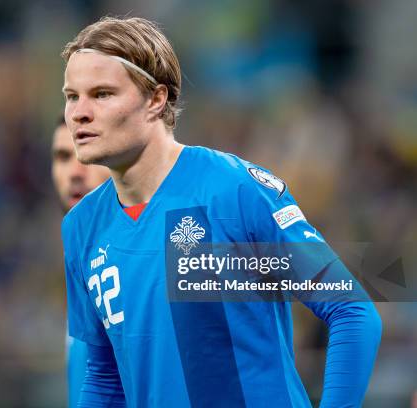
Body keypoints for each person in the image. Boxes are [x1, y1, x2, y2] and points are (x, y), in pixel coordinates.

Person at [60, 16, 382, 407]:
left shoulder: (234, 190)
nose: (79, 112)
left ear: (156, 99)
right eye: (72, 96)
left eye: (103, 94)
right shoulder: (81, 226)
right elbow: (104, 375)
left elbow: (352, 312)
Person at [51, 115, 110, 407]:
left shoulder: (152, 253)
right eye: (63, 157)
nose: (75, 172)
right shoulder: (79, 258)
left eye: (88, 157)